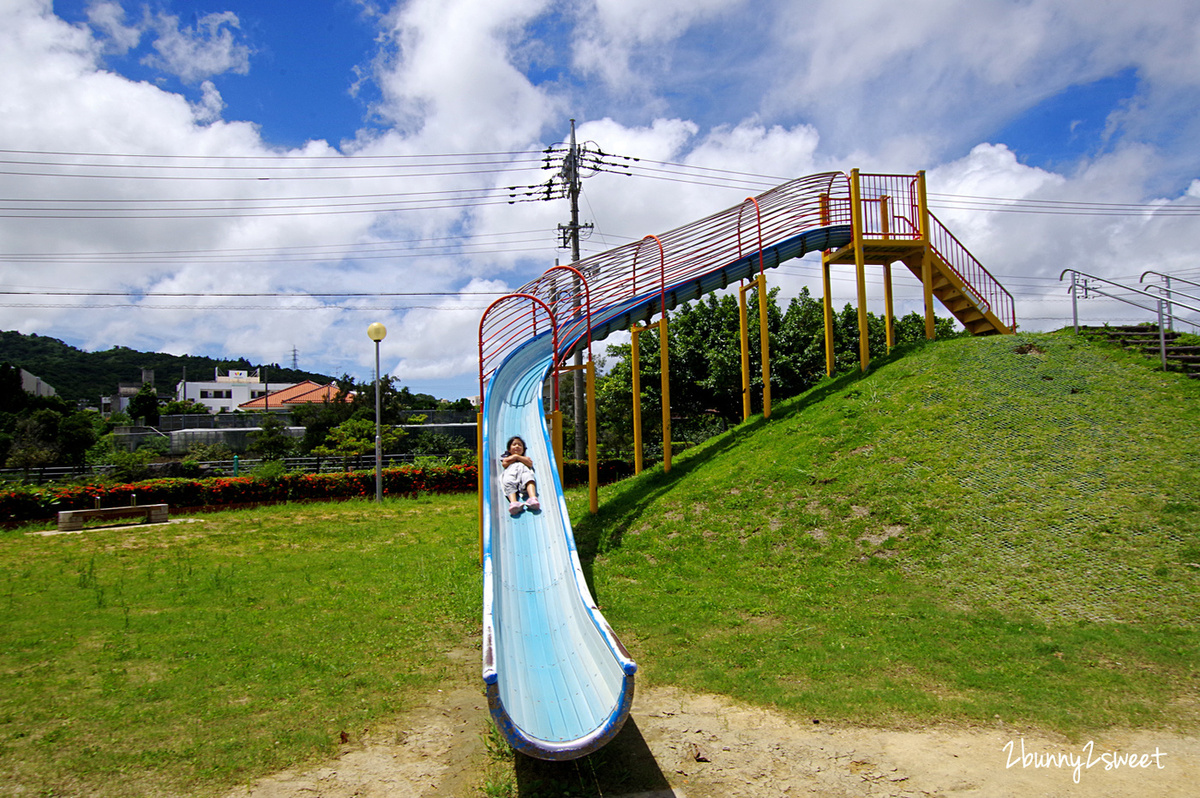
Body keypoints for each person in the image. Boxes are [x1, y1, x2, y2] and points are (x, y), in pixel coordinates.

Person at [500, 435, 540, 516]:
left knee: (529, 478)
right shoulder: (507, 458)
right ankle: (514, 502)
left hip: (523, 471)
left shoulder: (525, 458)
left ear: (523, 449)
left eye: (520, 445)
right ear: (509, 449)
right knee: (508, 481)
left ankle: (532, 498)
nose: (517, 446)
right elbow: (504, 464)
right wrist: (514, 457)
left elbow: (529, 463)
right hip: (511, 472)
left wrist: (517, 457)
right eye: (514, 445)